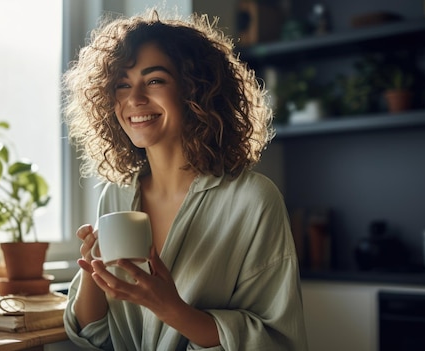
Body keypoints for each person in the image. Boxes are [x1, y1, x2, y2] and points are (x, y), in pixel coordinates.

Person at [61, 8, 308, 351]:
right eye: (122, 84)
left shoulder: (253, 200)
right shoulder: (116, 197)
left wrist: (170, 308)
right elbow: (93, 332)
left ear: (196, 90)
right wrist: (92, 271)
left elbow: (275, 341)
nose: (134, 99)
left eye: (155, 80)